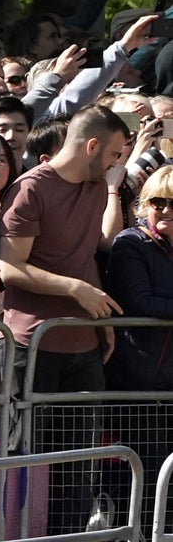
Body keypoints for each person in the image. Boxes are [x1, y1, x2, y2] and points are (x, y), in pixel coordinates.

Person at [0, 106, 134, 539]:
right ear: (91, 146)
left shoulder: (95, 187)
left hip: (84, 346)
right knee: (29, 460)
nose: (117, 163)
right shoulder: (30, 190)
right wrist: (75, 290)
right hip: (32, 345)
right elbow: (8, 268)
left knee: (79, 464)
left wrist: (101, 317)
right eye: (113, 153)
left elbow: (85, 253)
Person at [100, 166, 173, 396]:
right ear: (146, 204)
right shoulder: (131, 242)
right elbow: (140, 302)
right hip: (137, 377)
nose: (166, 209)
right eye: (158, 202)